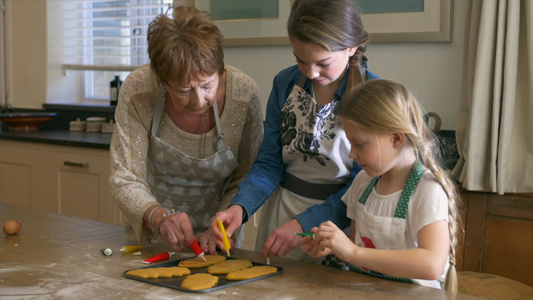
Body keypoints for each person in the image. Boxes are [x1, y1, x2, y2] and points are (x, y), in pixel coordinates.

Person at [210, 0, 379, 262]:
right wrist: (238, 207)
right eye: (300, 60)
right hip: (281, 214)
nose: (311, 72)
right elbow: (268, 163)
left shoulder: (373, 95)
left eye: (323, 62)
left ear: (351, 47)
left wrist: (304, 223)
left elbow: (363, 185)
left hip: (338, 222)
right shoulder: (285, 84)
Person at [109, 6, 263, 254]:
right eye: (183, 90)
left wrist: (220, 227)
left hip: (220, 236)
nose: (199, 100)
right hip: (155, 233)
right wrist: (158, 217)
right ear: (161, 80)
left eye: (207, 85)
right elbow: (125, 178)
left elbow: (246, 176)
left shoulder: (244, 95)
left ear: (220, 71)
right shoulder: (139, 91)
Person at [300, 79, 461, 291]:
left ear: (396, 138)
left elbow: (431, 265)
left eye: (359, 144)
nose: (351, 154)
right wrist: (333, 247)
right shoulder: (363, 183)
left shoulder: (427, 189)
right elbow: (360, 250)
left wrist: (352, 252)